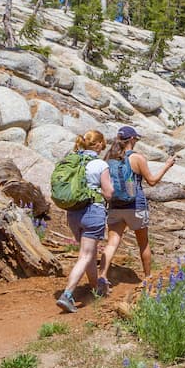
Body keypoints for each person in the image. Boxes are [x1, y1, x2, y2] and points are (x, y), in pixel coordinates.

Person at [98, 125, 176, 290]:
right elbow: (152, 181)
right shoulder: (137, 158)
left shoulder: (109, 157)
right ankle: (147, 278)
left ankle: (102, 275)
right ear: (132, 139)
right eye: (136, 139)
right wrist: (167, 166)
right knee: (143, 243)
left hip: (115, 205)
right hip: (136, 206)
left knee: (112, 243)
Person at [57, 130, 113, 314]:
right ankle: (67, 294)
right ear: (98, 145)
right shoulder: (99, 164)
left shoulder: (73, 160)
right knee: (86, 255)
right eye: (102, 144)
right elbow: (109, 192)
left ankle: (96, 288)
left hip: (73, 213)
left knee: (89, 252)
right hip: (93, 212)